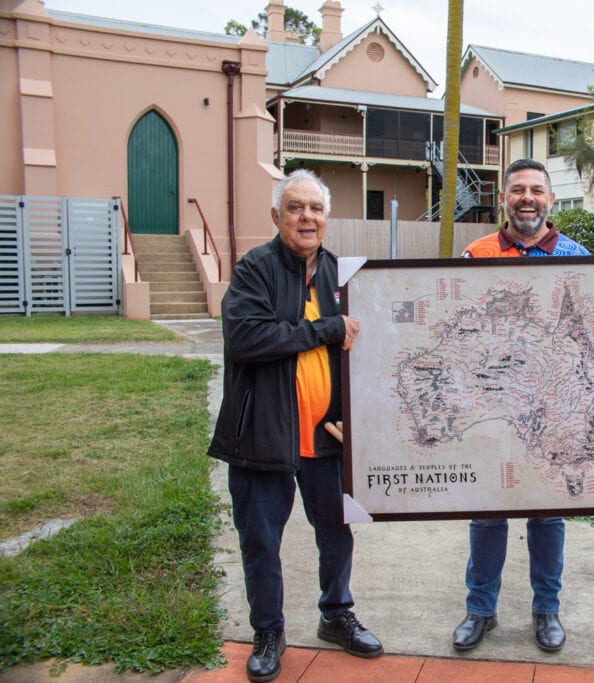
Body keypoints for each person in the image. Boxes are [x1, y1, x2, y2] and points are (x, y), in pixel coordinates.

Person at [208, 169, 383, 683]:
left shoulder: (344, 276)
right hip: (263, 436)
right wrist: (326, 329)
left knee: (337, 534)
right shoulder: (254, 270)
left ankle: (336, 613)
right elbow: (247, 339)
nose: (307, 216)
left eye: (316, 208)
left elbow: (370, 354)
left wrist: (359, 416)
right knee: (261, 540)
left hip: (327, 439)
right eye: (295, 207)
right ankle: (267, 630)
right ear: (276, 216)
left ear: (327, 218)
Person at [452, 158, 590, 654]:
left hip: (552, 411)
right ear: (504, 198)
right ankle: (480, 610)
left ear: (551, 200)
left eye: (536, 190)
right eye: (517, 190)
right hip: (494, 406)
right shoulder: (477, 253)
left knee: (548, 516)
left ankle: (546, 610)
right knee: (488, 513)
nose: (526, 198)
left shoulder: (579, 256)